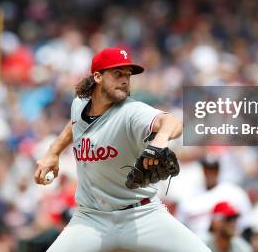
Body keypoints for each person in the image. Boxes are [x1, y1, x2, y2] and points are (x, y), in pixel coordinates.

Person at [34, 47, 211, 251]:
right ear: (98, 77)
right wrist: (53, 152)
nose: (125, 80)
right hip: (91, 218)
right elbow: (74, 125)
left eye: (128, 75)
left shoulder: (131, 112)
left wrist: (160, 140)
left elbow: (172, 122)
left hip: (142, 216)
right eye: (118, 74)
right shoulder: (79, 105)